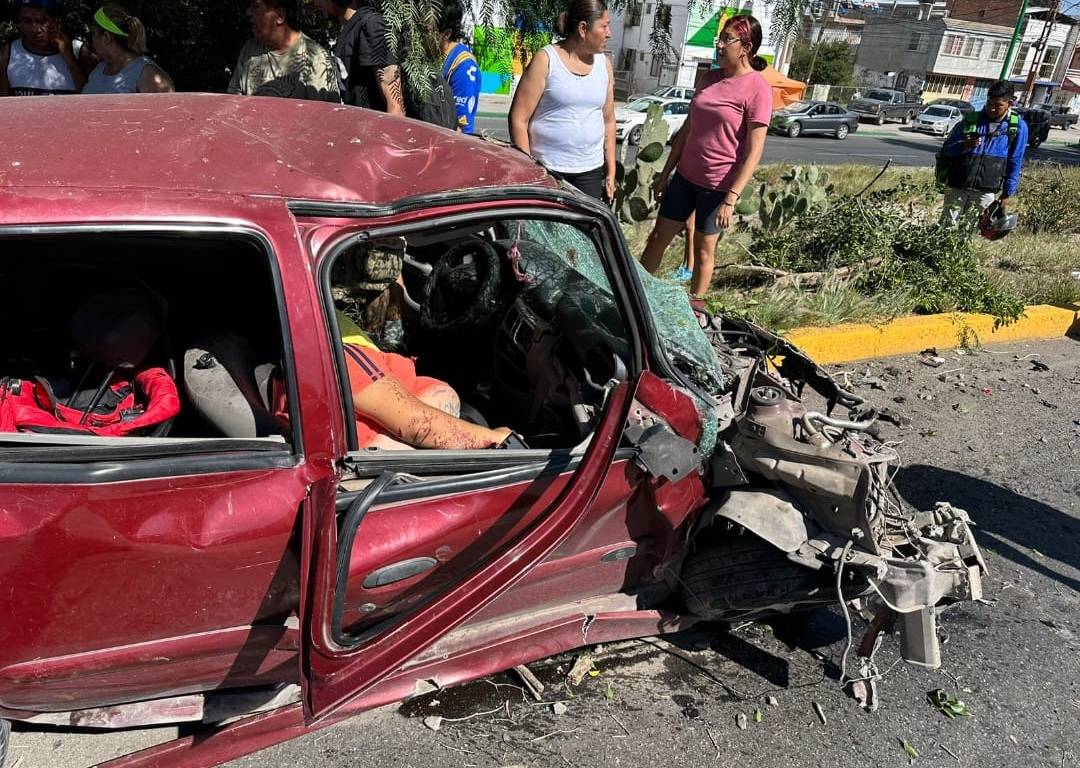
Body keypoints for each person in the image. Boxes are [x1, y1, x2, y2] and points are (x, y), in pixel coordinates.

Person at [639, 14, 770, 298]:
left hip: (718, 187)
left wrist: (731, 199)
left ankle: (695, 309)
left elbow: (754, 151)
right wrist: (665, 174)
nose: (719, 45)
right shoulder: (708, 78)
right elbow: (687, 129)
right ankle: (635, 295)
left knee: (703, 251)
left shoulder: (758, 89)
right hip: (685, 178)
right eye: (719, 39)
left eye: (727, 40)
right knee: (658, 237)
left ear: (746, 47)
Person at [337, 311, 511, 449]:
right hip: (417, 449)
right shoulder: (340, 357)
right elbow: (420, 426)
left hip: (428, 433)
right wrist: (496, 438)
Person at [508, 0, 616, 201]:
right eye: (604, 26)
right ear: (583, 28)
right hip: (546, 171)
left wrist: (611, 172)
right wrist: (528, 170)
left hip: (590, 173)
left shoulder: (605, 65)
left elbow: (608, 120)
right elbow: (518, 119)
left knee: (585, 223)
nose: (609, 33)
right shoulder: (546, 60)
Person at [937, 79, 1028, 229]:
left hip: (986, 191)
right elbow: (947, 150)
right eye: (989, 103)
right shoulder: (971, 120)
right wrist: (964, 145)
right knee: (946, 227)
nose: (991, 109)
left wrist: (1007, 193)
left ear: (1009, 104)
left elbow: (1015, 161)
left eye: (997, 105)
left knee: (969, 229)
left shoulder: (1017, 127)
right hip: (957, 185)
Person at [229, 0, 340, 102]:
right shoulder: (249, 50)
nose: (248, 12)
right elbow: (234, 101)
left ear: (280, 16)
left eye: (255, 6)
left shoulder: (315, 57)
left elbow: (321, 113)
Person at [313, 0, 405, 114]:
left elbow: (396, 106)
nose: (316, 3)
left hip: (375, 123)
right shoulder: (351, 27)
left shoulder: (372, 24)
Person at [0, 0, 95, 97]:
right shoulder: (8, 53)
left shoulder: (79, 51)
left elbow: (94, 96)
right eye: (27, 21)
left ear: (57, 21)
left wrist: (71, 61)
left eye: (42, 21)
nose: (36, 29)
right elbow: (4, 102)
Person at [82, 4, 173, 94]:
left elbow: (167, 103)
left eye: (93, 33)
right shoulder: (99, 69)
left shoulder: (147, 74)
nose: (91, 40)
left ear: (106, 37)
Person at [439, 0, 481, 133]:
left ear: (447, 34)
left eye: (427, 30)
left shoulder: (463, 66)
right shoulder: (430, 55)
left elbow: (460, 129)